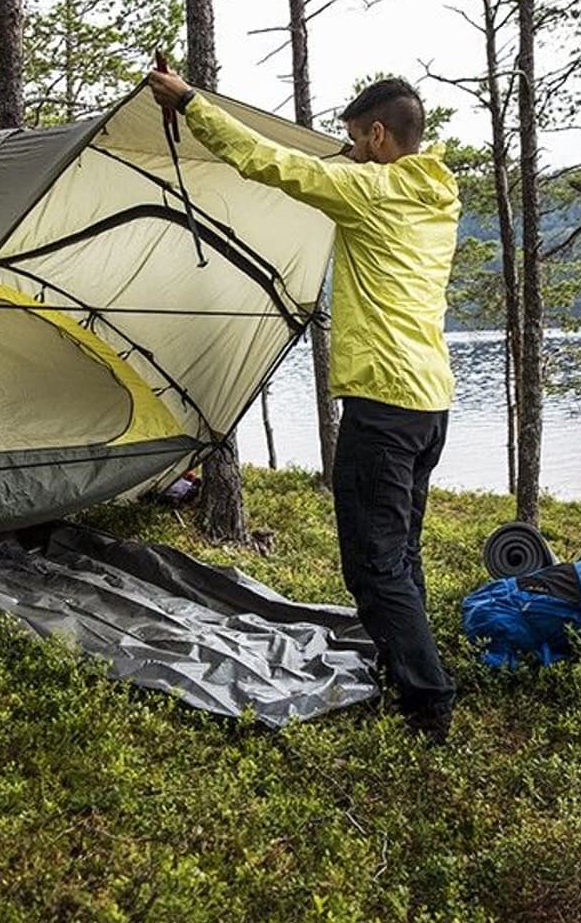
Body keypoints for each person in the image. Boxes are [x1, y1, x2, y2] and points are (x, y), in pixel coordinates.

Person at [148, 69, 460, 743]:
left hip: (383, 405)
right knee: (400, 553)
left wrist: (191, 104)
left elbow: (271, 163)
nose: (345, 154)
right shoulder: (437, 197)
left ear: (377, 136)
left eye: (351, 141)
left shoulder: (373, 189)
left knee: (373, 563)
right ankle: (407, 668)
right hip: (429, 403)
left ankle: (428, 706)